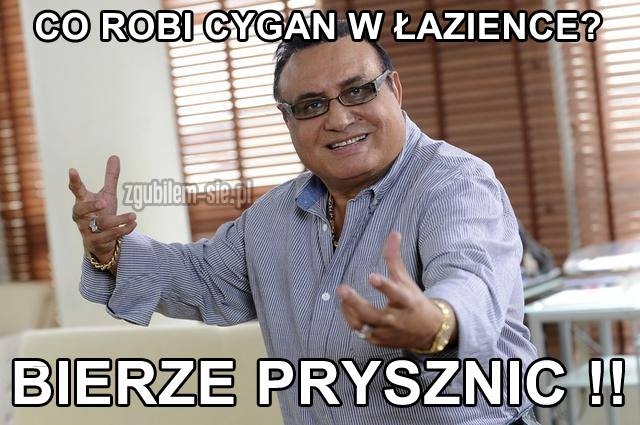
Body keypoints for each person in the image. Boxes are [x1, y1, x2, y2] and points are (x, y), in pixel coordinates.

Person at [70, 21, 539, 425]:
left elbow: (470, 278)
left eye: (357, 91)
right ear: (288, 120)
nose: (339, 118)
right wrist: (109, 249)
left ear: (394, 90)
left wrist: (435, 323)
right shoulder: (273, 216)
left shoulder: (454, 182)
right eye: (312, 105)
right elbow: (202, 279)